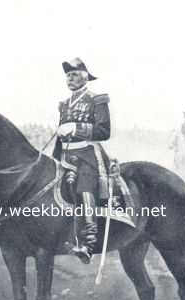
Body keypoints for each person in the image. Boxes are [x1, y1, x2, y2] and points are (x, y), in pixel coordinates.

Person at [53, 57, 111, 264]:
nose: (70, 78)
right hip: (66, 156)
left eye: (74, 74)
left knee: (84, 191)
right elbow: (61, 135)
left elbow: (104, 131)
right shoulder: (64, 104)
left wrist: (76, 128)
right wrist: (55, 157)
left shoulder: (97, 99)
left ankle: (88, 242)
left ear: (85, 77)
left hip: (88, 155)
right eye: (68, 75)